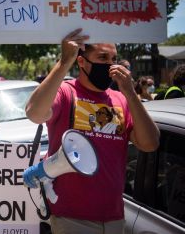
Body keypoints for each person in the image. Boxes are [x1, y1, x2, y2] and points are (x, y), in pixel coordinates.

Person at [24, 29, 159, 234]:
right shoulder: (67, 91)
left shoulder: (121, 99)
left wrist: (131, 94)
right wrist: (63, 63)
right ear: (81, 62)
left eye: (114, 59)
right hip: (71, 218)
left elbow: (150, 143)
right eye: (102, 58)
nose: (110, 65)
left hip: (114, 216)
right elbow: (34, 113)